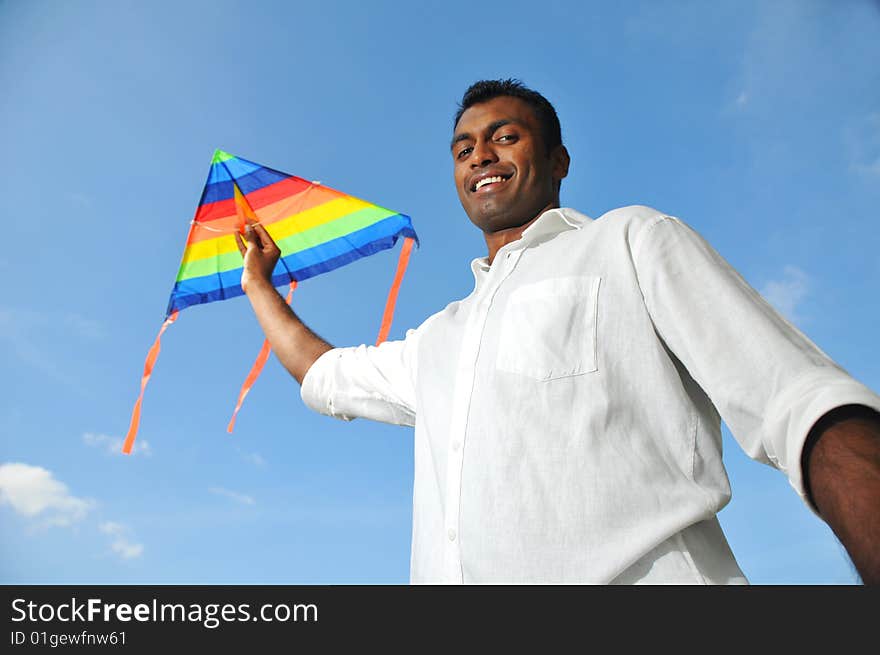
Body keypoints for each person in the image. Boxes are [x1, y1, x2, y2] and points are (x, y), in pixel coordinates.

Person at [234, 79, 880, 584]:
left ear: (558, 158)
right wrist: (259, 283)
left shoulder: (629, 239)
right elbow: (324, 374)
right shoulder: (439, 338)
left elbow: (798, 401)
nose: (480, 155)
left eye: (504, 136)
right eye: (464, 149)